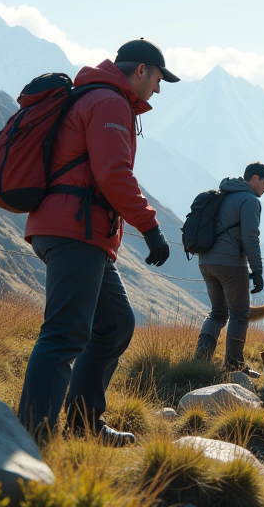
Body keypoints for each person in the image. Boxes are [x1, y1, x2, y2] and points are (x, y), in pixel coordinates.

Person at [18, 39, 179, 446]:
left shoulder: (97, 95)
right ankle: (32, 440)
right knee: (64, 334)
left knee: (114, 324)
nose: (158, 90)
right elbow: (112, 173)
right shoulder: (109, 102)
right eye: (159, 79)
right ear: (141, 70)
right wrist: (150, 227)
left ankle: (82, 424)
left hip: (78, 230)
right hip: (75, 230)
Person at [194, 162, 264, 376]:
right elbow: (250, 237)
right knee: (240, 314)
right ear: (255, 178)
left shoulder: (223, 193)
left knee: (218, 312)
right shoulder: (249, 200)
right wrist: (257, 271)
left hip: (205, 261)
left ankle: (200, 361)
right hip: (230, 263)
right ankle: (233, 365)